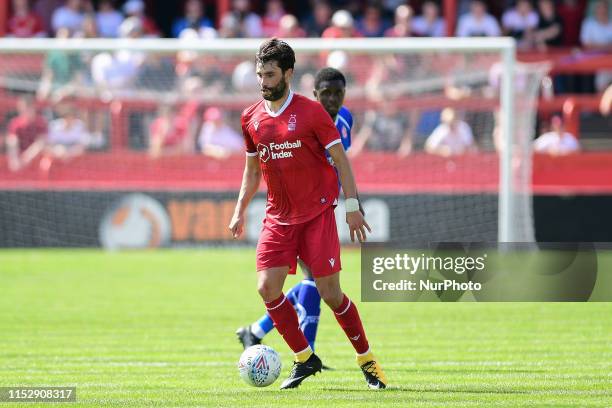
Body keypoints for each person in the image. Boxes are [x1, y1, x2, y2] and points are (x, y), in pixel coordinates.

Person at [229, 39, 386, 390]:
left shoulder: (313, 113)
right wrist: (240, 209)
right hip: (277, 218)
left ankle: (367, 360)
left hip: (317, 216)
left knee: (331, 294)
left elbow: (342, 161)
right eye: (259, 75)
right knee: (267, 288)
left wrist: (351, 207)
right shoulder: (250, 118)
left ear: (288, 73)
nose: (263, 81)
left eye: (269, 74)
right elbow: (252, 171)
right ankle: (304, 358)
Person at [235, 67, 355, 366]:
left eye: (337, 93)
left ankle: (256, 330)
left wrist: (350, 202)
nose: (331, 100)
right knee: (314, 279)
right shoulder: (302, 118)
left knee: (316, 280)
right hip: (294, 212)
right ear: (314, 95)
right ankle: (306, 351)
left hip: (324, 208)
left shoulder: (345, 120)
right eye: (325, 93)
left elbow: (339, 163)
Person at [39, 103, 90, 172]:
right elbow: (48, 145)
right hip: (56, 153)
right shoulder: (54, 126)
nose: (69, 120)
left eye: (72, 117)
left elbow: (83, 145)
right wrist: (59, 151)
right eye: (67, 117)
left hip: (74, 154)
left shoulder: (80, 126)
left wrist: (69, 153)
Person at [5, 96, 48, 172]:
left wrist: (26, 158)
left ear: (32, 107)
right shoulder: (15, 122)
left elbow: (41, 142)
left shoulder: (41, 122)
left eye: (24, 107)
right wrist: (14, 159)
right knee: (11, 140)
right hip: (19, 156)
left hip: (36, 156)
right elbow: (12, 141)